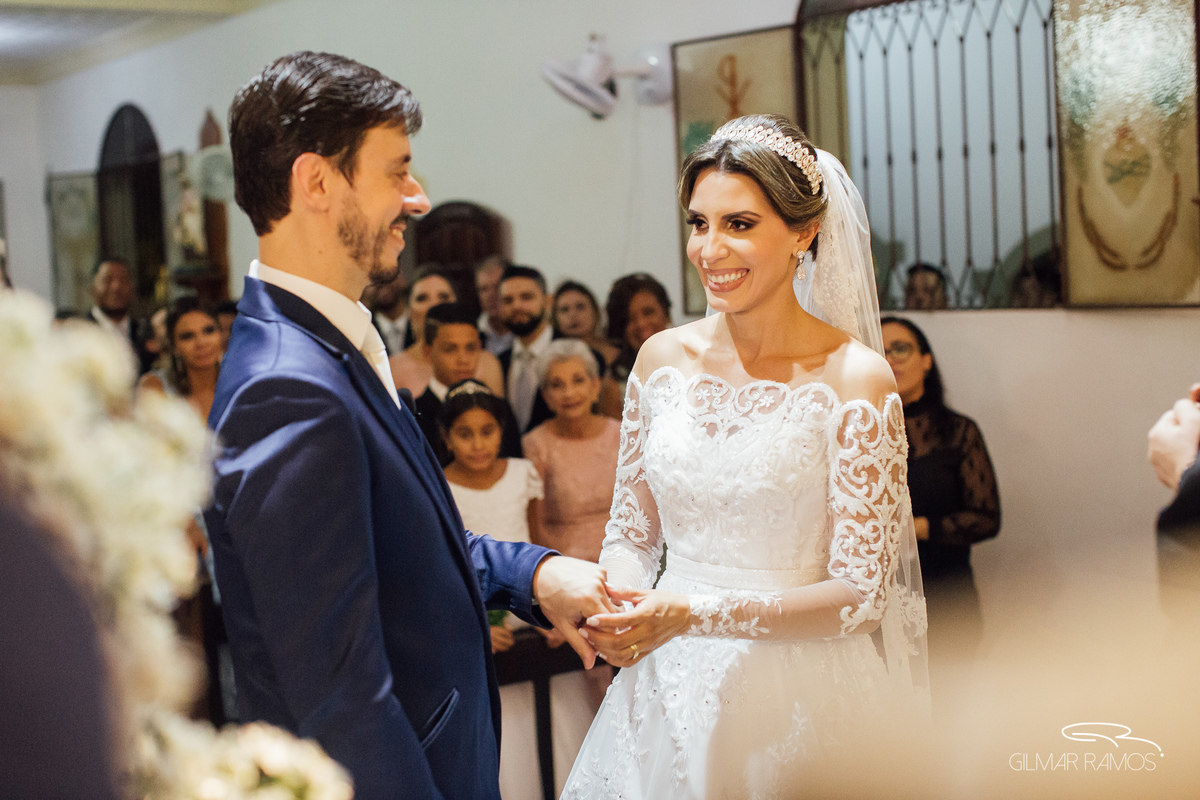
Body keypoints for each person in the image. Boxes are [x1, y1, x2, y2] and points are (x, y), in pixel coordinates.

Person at [205, 51, 614, 800]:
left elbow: (399, 551)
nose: (417, 198)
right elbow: (339, 700)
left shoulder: (334, 343)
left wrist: (533, 574)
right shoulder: (284, 390)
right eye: (397, 171)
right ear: (316, 182)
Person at [562, 115, 929, 798]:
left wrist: (692, 613)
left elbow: (862, 598)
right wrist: (622, 603)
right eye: (699, 224)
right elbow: (632, 532)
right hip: (663, 686)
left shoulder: (855, 380)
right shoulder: (660, 361)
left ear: (803, 232)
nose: (710, 249)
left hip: (801, 692)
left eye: (739, 224)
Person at [439, 385, 594, 800]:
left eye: (487, 431)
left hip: (531, 619)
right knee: (508, 744)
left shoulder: (521, 473)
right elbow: (444, 568)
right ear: (445, 437)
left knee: (559, 734)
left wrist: (549, 609)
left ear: (502, 430)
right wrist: (475, 629)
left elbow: (536, 543)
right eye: (465, 433)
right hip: (482, 632)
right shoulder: (440, 485)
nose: (477, 444)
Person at [881, 316, 999, 660]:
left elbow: (987, 518)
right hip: (879, 604)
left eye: (900, 348)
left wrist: (917, 528)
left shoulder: (960, 431)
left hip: (947, 598)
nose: (890, 359)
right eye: (881, 351)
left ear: (926, 360)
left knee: (950, 689)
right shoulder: (857, 432)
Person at [523, 339, 620, 563]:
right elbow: (534, 524)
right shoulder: (536, 444)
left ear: (595, 386)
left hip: (623, 557)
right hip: (565, 564)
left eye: (578, 380)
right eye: (557, 385)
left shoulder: (622, 434)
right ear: (546, 396)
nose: (569, 393)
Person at [414, 304, 522, 465]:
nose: (463, 359)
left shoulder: (501, 409)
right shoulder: (413, 415)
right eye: (450, 349)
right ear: (428, 353)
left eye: (470, 348)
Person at [389, 265, 505, 396]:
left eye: (443, 297)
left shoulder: (488, 364)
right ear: (408, 310)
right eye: (422, 298)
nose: (434, 305)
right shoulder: (391, 370)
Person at [598, 272, 672, 418]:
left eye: (648, 312)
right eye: (630, 319)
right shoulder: (614, 384)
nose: (641, 324)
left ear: (666, 313)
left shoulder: (696, 361)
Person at [88, 258, 155, 374]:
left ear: (133, 288)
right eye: (107, 280)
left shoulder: (145, 332)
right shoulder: (79, 332)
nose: (116, 287)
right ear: (92, 288)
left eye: (123, 280)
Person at [552, 280, 619, 367]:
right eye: (564, 309)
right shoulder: (551, 358)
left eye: (580, 307)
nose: (573, 315)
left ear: (595, 311)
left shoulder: (622, 353)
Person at [361, 264, 409, 354]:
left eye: (387, 273)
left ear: (401, 276)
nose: (381, 282)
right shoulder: (362, 331)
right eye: (373, 277)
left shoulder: (421, 325)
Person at [476, 255, 513, 355]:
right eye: (484, 289)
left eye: (497, 287)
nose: (490, 295)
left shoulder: (526, 328)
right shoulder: (473, 333)